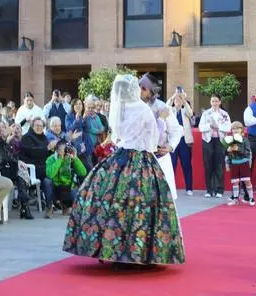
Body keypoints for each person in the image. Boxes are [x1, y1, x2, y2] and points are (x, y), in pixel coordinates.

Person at [63, 74, 185, 269]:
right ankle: (142, 252)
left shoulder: (118, 110)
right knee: (143, 206)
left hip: (119, 160)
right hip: (142, 160)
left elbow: (117, 136)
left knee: (115, 204)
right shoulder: (143, 109)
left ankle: (112, 250)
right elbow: (152, 140)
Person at [140, 73, 183, 201]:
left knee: (164, 200)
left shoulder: (162, 107)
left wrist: (171, 146)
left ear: (152, 92)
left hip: (160, 159)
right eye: (139, 87)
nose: (139, 91)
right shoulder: (133, 107)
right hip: (140, 160)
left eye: (143, 88)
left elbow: (176, 130)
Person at [198, 94, 231, 198]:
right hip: (208, 140)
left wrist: (218, 126)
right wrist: (210, 126)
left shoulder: (224, 114)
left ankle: (219, 190)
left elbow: (228, 128)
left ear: (220, 102)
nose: (214, 103)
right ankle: (209, 190)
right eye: (213, 101)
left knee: (219, 165)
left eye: (216, 101)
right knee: (208, 165)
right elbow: (200, 127)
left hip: (220, 141)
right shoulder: (206, 113)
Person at [45, 140, 87, 215]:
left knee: (75, 193)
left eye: (66, 149)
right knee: (47, 181)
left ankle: (65, 206)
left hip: (67, 187)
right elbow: (50, 175)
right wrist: (60, 159)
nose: (65, 152)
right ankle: (49, 206)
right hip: (55, 188)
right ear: (57, 150)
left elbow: (83, 172)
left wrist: (75, 158)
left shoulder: (70, 158)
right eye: (63, 150)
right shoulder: (51, 159)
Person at [167, 89, 194, 196]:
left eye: (180, 99)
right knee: (172, 164)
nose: (178, 101)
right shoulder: (171, 110)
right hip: (173, 141)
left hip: (184, 140)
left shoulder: (185, 111)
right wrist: (174, 96)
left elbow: (191, 113)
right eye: (176, 100)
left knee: (186, 164)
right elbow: (166, 106)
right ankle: (171, 188)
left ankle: (189, 188)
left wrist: (184, 99)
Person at [222, 121, 255, 206]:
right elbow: (226, 154)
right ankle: (235, 199)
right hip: (234, 163)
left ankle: (251, 198)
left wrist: (238, 149)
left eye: (238, 128)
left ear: (242, 129)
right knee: (235, 182)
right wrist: (227, 151)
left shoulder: (245, 140)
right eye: (233, 128)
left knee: (247, 181)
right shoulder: (229, 140)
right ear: (231, 130)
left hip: (244, 163)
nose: (235, 130)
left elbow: (248, 153)